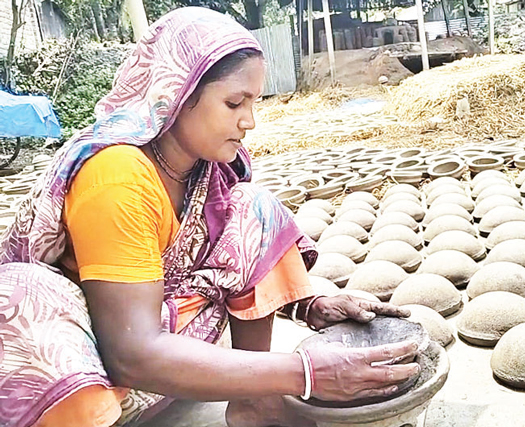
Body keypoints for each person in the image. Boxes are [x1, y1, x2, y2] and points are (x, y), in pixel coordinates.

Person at [0, 7, 420, 427]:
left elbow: (212, 269)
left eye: (253, 102)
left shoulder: (206, 169)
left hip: (164, 352)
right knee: (22, 296)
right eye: (234, 102)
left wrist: (310, 306)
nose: (249, 121)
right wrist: (305, 374)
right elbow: (130, 353)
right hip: (98, 369)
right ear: (177, 95)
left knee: (256, 210)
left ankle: (256, 404)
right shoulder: (116, 176)